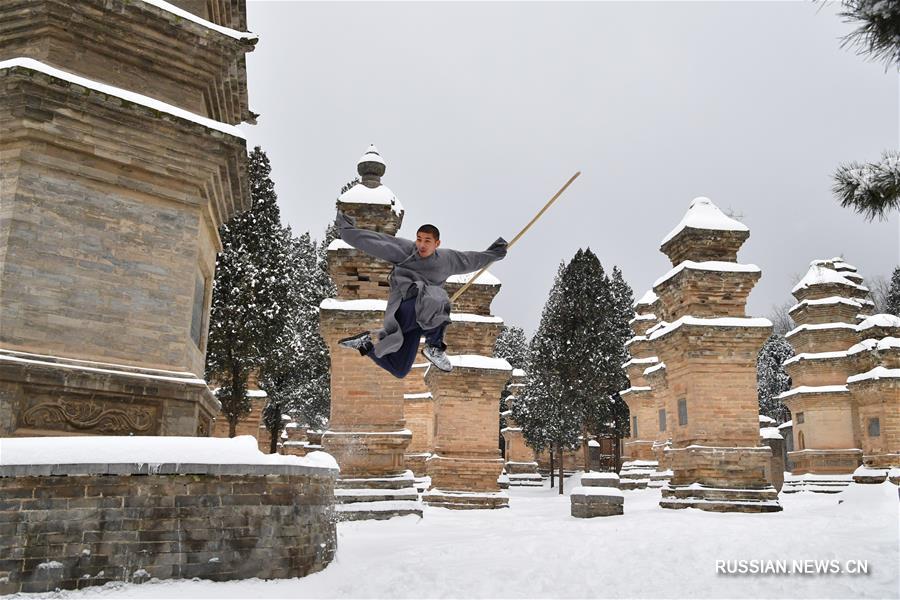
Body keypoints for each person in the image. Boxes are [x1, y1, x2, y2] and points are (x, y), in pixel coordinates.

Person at [334, 211, 507, 377]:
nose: (422, 245)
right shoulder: (405, 250)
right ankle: (434, 347)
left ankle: (365, 344)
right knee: (437, 297)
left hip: (419, 319)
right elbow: (375, 242)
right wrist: (347, 231)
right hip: (404, 307)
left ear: (437, 244)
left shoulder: (447, 260)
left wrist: (494, 253)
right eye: (419, 239)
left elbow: (471, 260)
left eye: (427, 241)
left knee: (400, 369)